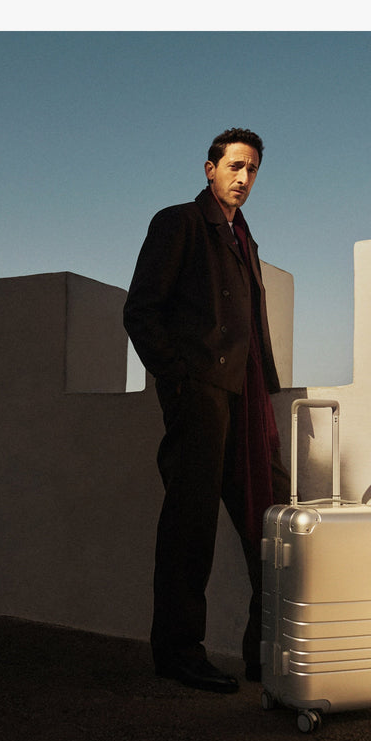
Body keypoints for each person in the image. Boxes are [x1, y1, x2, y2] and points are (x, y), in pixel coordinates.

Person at [123, 128, 290, 693]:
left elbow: (254, 327)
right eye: (235, 166)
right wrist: (181, 380)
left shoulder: (247, 240)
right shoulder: (179, 223)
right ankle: (178, 653)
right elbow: (140, 311)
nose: (244, 178)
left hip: (247, 403)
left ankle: (265, 655)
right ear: (209, 169)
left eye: (253, 170)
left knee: (271, 522)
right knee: (189, 529)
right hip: (202, 396)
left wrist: (266, 389)